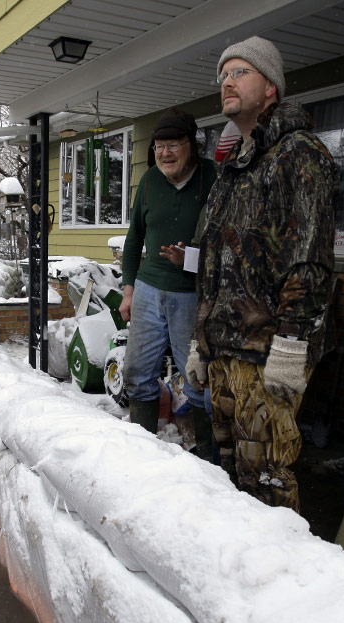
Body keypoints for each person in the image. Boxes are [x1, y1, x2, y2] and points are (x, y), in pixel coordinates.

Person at [185, 36, 338, 511]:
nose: (227, 82)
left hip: (268, 351)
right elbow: (213, 266)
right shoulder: (235, 168)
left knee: (267, 480)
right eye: (223, 75)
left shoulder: (298, 154)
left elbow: (309, 259)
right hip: (225, 349)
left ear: (270, 87)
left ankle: (281, 561)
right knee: (232, 476)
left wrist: (292, 344)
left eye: (240, 72)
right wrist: (199, 343)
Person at [120, 108, 217, 459]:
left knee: (198, 381)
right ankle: (142, 453)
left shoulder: (214, 179)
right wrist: (128, 291)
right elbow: (134, 239)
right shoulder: (149, 181)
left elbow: (228, 248)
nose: (165, 153)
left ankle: (208, 461)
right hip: (148, 290)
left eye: (174, 145)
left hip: (192, 298)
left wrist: (189, 260)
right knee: (136, 375)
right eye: (159, 146)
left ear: (192, 145)